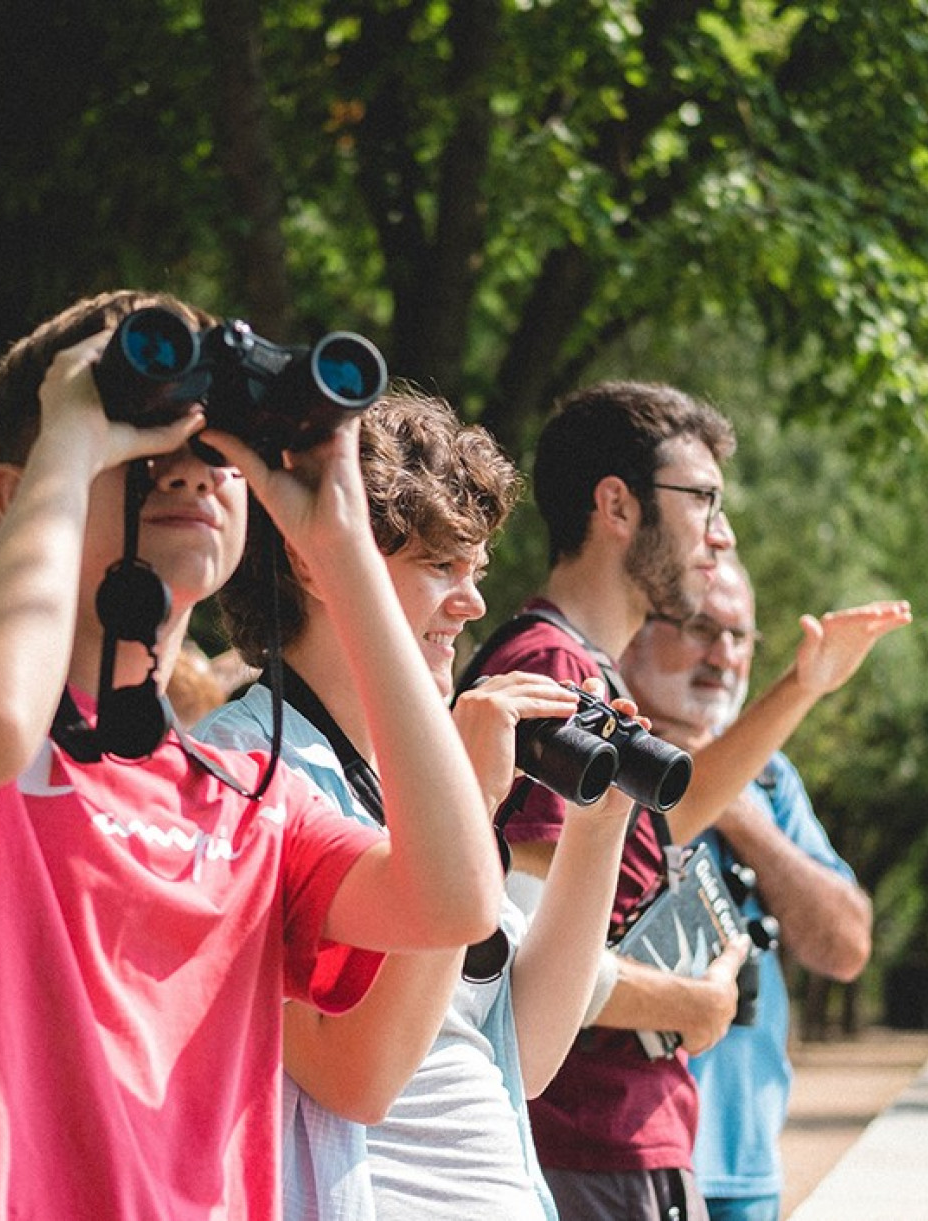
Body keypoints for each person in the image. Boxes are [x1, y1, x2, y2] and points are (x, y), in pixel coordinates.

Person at [0, 290, 502, 1218]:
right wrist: (68, 435)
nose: (188, 474)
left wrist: (341, 548)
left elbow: (455, 897)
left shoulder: (247, 796)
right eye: (138, 446)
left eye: (217, 453)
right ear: (20, 495)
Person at [199, 390, 651, 1220]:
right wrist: (472, 803)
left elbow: (522, 1055)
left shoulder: (418, 768)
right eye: (441, 565)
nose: (473, 603)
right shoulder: (241, 768)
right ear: (316, 562)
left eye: (477, 571)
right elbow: (355, 1078)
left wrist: (601, 823)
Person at [464, 380, 910, 1220]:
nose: (722, 532)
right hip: (586, 1150)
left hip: (622, 1144)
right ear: (617, 506)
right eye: (702, 498)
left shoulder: (585, 668)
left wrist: (802, 686)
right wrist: (694, 1004)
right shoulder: (552, 668)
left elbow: (665, 818)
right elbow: (517, 946)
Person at [622, 552, 876, 1221]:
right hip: (615, 1156)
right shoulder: (590, 757)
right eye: (701, 628)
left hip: (742, 1168)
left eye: (741, 636)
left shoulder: (768, 776)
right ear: (635, 627)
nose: (724, 655)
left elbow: (846, 947)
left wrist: (734, 808)